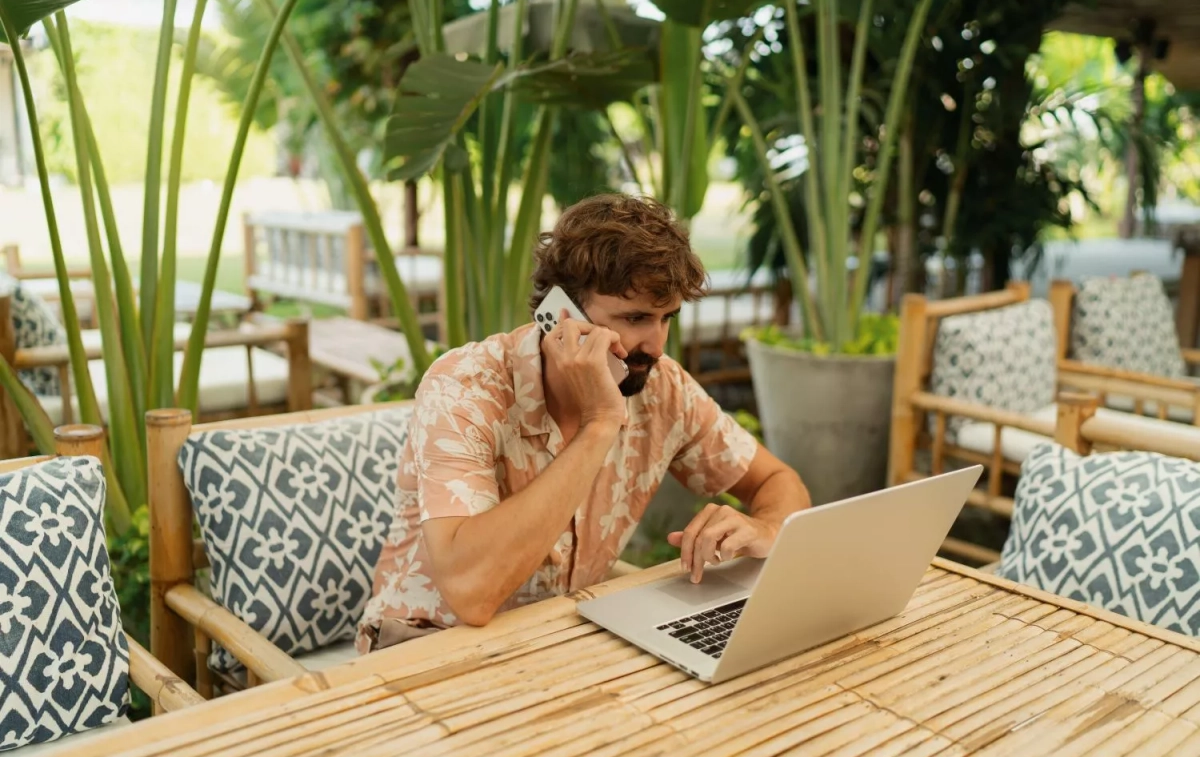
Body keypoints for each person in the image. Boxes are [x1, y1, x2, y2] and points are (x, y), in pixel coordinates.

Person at [356, 194, 810, 653]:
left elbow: (777, 480)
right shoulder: (465, 388)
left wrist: (768, 528)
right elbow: (470, 595)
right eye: (635, 318)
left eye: (665, 318)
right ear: (561, 315)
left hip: (555, 640)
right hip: (424, 646)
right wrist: (600, 422)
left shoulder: (662, 387)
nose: (655, 345)